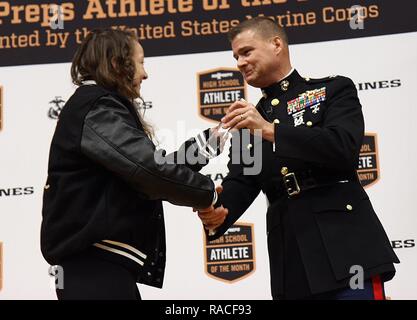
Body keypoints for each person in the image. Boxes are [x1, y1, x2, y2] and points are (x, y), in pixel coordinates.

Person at [197, 17, 399, 300]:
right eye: (236, 57)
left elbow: (344, 148)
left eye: (246, 52)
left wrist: (270, 131)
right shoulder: (248, 123)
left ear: (276, 44)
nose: (240, 63)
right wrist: (216, 211)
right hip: (290, 261)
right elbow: (240, 184)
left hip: (346, 248)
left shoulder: (333, 89)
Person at [40, 28, 227, 300]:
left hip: (103, 270)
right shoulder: (96, 106)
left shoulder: (96, 107)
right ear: (117, 64)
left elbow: (142, 169)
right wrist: (206, 194)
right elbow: (146, 170)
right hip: (95, 271)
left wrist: (211, 142)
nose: (145, 73)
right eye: (141, 62)